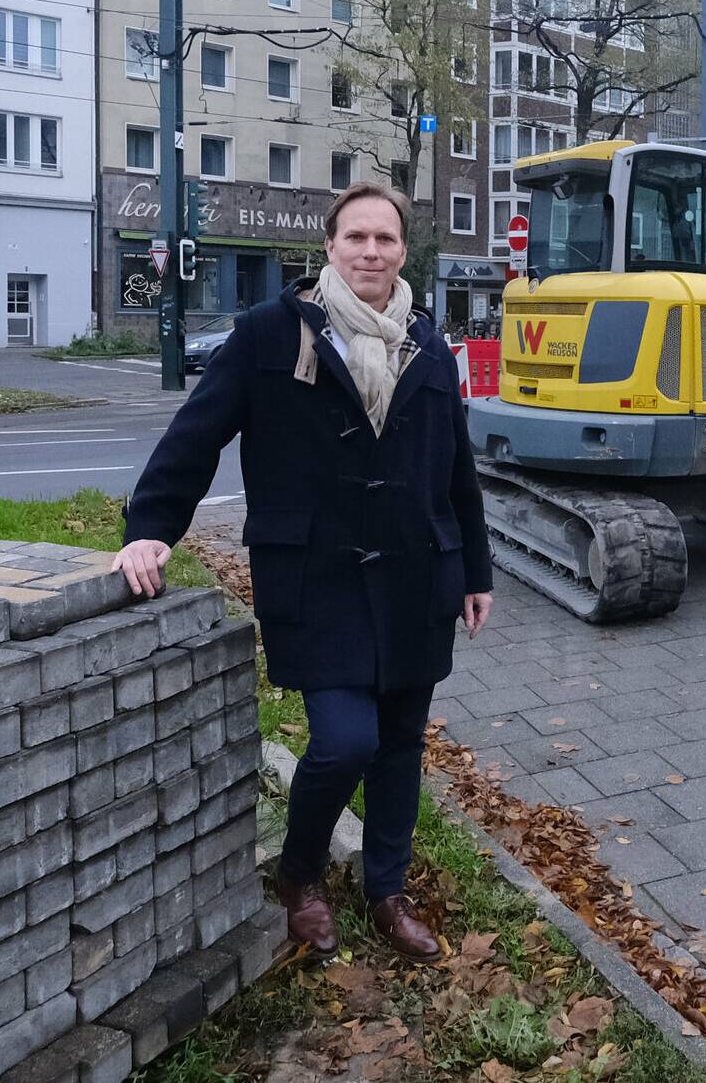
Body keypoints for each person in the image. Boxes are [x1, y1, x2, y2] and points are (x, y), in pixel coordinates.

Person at [112, 182, 494, 962]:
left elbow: (455, 466)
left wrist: (476, 569)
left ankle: (386, 888)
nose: (371, 252)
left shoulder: (427, 340)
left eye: (385, 239)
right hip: (318, 578)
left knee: (399, 745)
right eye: (356, 237)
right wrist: (151, 528)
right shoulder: (268, 334)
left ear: (401, 251)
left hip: (417, 575)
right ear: (329, 246)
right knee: (345, 740)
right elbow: (198, 431)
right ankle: (301, 872)